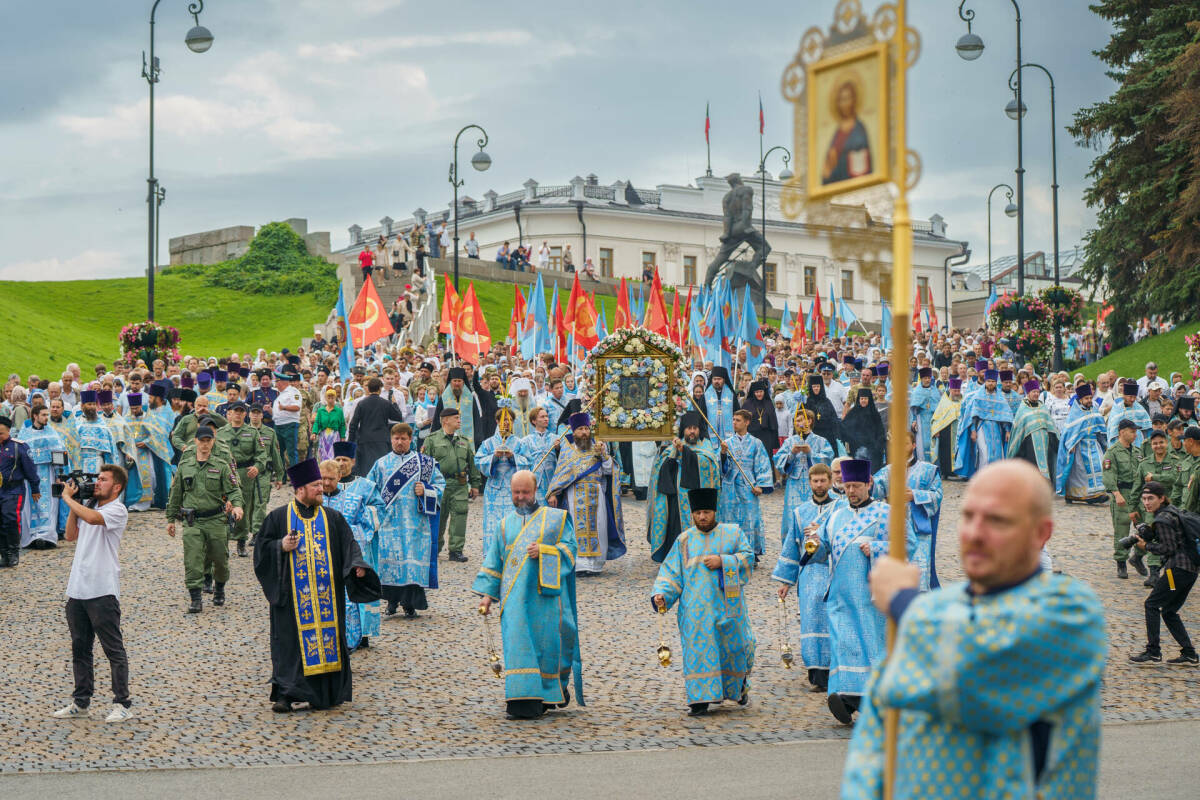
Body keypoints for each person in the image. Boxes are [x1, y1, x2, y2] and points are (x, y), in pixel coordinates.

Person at [843, 460, 1106, 799]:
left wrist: (901, 601)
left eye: (997, 520)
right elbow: (872, 746)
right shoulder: (934, 611)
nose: (975, 533)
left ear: (1042, 533)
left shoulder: (1071, 613)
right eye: (968, 516)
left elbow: (978, 668)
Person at [252, 458, 381, 712]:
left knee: (329, 644)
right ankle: (287, 694)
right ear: (300, 489)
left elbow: (349, 544)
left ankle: (324, 693)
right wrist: (280, 546)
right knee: (291, 647)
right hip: (291, 601)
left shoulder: (332, 518)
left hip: (327, 599)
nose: (321, 489)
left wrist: (357, 564)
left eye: (322, 484)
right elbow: (261, 551)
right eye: (315, 486)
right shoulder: (279, 518)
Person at [805, 459, 914, 724]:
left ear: (869, 484)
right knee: (844, 647)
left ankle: (870, 700)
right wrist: (814, 544)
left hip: (871, 597)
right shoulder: (836, 515)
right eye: (847, 485)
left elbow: (908, 545)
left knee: (871, 647)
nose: (851, 491)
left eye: (856, 486)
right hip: (840, 597)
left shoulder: (886, 513)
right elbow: (823, 552)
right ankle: (845, 697)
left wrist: (877, 547)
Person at [473, 470, 582, 719]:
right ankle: (521, 702)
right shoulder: (504, 526)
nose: (521, 497)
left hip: (545, 599)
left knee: (548, 647)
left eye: (525, 492)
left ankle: (549, 694)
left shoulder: (555, 519)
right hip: (513, 602)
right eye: (516, 492)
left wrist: (545, 550)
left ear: (536, 492)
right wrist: (487, 596)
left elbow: (571, 549)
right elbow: (494, 562)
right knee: (518, 649)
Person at [651, 487, 755, 717]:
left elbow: (749, 559)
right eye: (698, 513)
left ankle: (738, 689)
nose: (702, 517)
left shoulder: (733, 533)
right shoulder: (684, 540)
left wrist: (723, 561)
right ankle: (700, 700)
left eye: (707, 512)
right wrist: (662, 594)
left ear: (714, 512)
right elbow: (671, 573)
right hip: (695, 611)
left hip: (730, 606)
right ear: (692, 514)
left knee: (737, 648)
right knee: (699, 653)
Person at [52, 465, 133, 722]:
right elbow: (69, 535)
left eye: (103, 480)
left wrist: (67, 498)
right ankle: (81, 701)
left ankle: (122, 704)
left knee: (113, 650)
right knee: (80, 648)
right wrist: (73, 503)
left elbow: (94, 520)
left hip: (102, 590)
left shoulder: (117, 510)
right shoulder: (89, 507)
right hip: (78, 589)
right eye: (97, 479)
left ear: (116, 486)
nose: (97, 483)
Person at [772, 463, 847, 692]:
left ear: (829, 481)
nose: (819, 485)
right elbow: (791, 548)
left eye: (823, 480)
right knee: (812, 621)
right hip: (809, 577)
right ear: (810, 483)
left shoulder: (840, 508)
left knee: (834, 621)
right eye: (815, 481)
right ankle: (816, 674)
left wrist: (822, 529)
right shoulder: (800, 512)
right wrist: (786, 581)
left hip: (833, 572)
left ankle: (836, 669)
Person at [367, 424, 445, 617]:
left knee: (411, 563)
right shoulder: (381, 464)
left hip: (415, 524)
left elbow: (440, 484)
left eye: (404, 438)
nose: (400, 442)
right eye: (396, 438)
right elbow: (369, 489)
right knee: (390, 563)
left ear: (411, 439)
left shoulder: (425, 463)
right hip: (389, 524)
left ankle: (409, 604)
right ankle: (391, 603)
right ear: (391, 439)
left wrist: (426, 490)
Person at [165, 426, 244, 612]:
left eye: (209, 440)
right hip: (193, 521)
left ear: (213, 442)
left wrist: (237, 505)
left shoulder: (221, 466)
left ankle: (220, 588)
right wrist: (170, 519)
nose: (205, 444)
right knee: (192, 559)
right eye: (202, 440)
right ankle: (195, 598)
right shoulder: (185, 466)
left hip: (216, 519)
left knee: (220, 558)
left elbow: (233, 489)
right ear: (196, 441)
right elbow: (176, 494)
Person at [1128, 480, 1200, 666]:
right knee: (1169, 611)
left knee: (1151, 604)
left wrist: (1146, 546)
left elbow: (1168, 548)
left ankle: (1153, 651)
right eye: (1144, 499)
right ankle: (1190, 653)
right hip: (1190, 570)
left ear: (1161, 498)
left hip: (1176, 570)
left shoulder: (1162, 519)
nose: (1146, 503)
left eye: (1151, 498)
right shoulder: (1173, 511)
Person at [545, 412, 626, 575]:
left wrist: (603, 455)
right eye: (580, 429)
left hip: (596, 495)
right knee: (576, 528)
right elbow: (561, 474)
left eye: (586, 429)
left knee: (598, 527)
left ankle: (595, 565)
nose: (584, 432)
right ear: (574, 432)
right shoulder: (568, 450)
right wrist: (553, 493)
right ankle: (580, 565)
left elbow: (610, 470)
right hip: (574, 495)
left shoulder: (598, 446)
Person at [319, 455, 381, 651]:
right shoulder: (313, 501)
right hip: (319, 561)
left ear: (339, 477)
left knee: (346, 602)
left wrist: (350, 539)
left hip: (345, 560)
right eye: (323, 479)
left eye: (331, 478)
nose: (327, 483)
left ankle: (348, 641)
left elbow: (367, 526)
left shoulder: (354, 500)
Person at [872, 430, 943, 590]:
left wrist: (915, 495)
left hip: (919, 529)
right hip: (894, 528)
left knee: (920, 572)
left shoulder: (928, 470)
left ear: (913, 445)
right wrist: (870, 483)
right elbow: (876, 490)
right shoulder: (888, 470)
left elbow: (937, 494)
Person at [647, 411, 721, 562]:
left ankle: (698, 557)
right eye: (688, 428)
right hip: (677, 499)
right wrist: (675, 452)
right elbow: (661, 468)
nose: (692, 431)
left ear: (699, 429)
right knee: (674, 528)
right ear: (683, 430)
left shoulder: (705, 446)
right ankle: (674, 559)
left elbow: (708, 465)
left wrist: (684, 452)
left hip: (698, 499)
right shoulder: (674, 444)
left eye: (695, 428)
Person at [423, 408, 480, 562]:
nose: (459, 420)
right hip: (439, 485)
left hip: (460, 484)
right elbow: (425, 464)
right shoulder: (432, 440)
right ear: (445, 420)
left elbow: (472, 464)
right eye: (456, 418)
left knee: (460, 517)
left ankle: (456, 550)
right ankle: (434, 548)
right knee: (438, 518)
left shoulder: (464, 441)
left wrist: (475, 484)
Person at [717, 409, 774, 558]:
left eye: (738, 420)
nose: (734, 423)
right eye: (733, 420)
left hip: (749, 485)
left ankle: (750, 552)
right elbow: (721, 468)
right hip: (730, 486)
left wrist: (760, 485)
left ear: (747, 422)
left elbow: (762, 464)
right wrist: (723, 454)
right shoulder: (727, 443)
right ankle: (730, 551)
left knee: (750, 518)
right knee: (730, 517)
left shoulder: (756, 443)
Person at [215, 401, 269, 558]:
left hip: (245, 474)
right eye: (235, 411)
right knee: (223, 506)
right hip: (225, 474)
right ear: (229, 413)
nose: (238, 414)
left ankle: (241, 541)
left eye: (241, 411)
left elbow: (262, 454)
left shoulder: (252, 433)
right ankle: (222, 541)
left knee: (243, 506)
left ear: (245, 414)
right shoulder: (221, 432)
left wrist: (257, 467)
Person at [1130, 430, 1181, 588]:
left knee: (1169, 540)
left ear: (1166, 443)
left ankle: (1138, 555)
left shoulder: (1175, 461)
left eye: (1161, 442)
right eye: (1155, 443)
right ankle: (1154, 574)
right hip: (1151, 510)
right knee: (1153, 537)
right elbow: (1137, 486)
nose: (1158, 446)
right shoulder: (1144, 464)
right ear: (1151, 445)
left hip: (1171, 507)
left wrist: (1155, 478)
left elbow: (1174, 479)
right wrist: (1132, 507)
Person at [473, 404, 521, 557]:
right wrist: (494, 457)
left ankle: (513, 552)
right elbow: (478, 460)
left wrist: (514, 457)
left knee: (513, 521)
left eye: (509, 420)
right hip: (494, 488)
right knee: (494, 523)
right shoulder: (488, 443)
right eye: (503, 420)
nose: (506, 423)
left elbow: (529, 461)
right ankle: (492, 554)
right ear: (497, 421)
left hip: (514, 489)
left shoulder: (520, 443)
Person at [15, 405, 65, 550]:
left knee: (49, 504)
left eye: (46, 415)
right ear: (35, 416)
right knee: (30, 506)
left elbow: (59, 454)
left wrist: (58, 475)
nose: (46, 418)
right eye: (43, 415)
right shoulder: (24, 434)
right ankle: (32, 537)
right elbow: (19, 455)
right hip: (29, 476)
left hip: (47, 472)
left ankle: (47, 536)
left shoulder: (52, 433)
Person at [1103, 419, 1145, 580]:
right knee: (1122, 528)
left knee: (1145, 528)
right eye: (1132, 431)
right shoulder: (1112, 452)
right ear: (1122, 432)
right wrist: (1116, 493)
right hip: (1122, 493)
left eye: (1136, 432)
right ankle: (1121, 561)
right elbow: (1108, 474)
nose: (1135, 434)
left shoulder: (1137, 451)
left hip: (1138, 495)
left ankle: (1138, 556)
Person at [954, 369, 1014, 479]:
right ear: (985, 382)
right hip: (982, 428)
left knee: (997, 454)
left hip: (996, 428)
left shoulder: (1000, 398)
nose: (991, 383)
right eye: (989, 381)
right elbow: (973, 416)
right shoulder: (978, 397)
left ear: (996, 383)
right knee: (984, 454)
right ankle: (983, 479)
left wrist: (1008, 431)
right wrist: (973, 430)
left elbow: (1005, 416)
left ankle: (996, 479)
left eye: (993, 381)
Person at [1055, 384, 1108, 505]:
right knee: (1081, 471)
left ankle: (1097, 493)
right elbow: (1069, 433)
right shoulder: (1074, 414)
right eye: (1086, 398)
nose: (1089, 400)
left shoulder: (1094, 410)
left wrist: (1105, 444)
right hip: (1080, 447)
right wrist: (1071, 444)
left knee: (1099, 465)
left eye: (1090, 398)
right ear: (1080, 400)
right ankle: (1078, 495)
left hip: (1094, 445)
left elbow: (1100, 430)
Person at [0, 414, 41, 567]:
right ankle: (3, 553)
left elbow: (30, 469)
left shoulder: (19, 446)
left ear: (9, 431)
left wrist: (35, 488)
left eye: (1, 433)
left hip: (13, 489)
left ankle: (13, 552)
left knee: (10, 519)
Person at [347, 377, 405, 478]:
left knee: (366, 471)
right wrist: (394, 403)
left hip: (365, 441)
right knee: (381, 471)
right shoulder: (385, 403)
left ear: (368, 389)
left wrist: (351, 443)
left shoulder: (362, 403)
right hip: (381, 440)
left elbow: (353, 424)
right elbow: (398, 417)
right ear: (379, 389)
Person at [822, 79, 872, 185]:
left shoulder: (859, 128)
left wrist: (839, 160)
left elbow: (863, 158)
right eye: (840, 100)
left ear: (854, 100)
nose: (843, 104)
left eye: (847, 99)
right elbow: (828, 166)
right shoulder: (837, 131)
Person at [515, 406, 558, 505]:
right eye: (542, 417)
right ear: (534, 421)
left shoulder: (555, 439)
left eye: (547, 416)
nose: (546, 419)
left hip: (551, 482)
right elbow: (522, 463)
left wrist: (558, 448)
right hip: (534, 482)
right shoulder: (525, 441)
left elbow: (562, 460)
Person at [840, 387, 886, 473]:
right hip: (857, 448)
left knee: (872, 474)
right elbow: (844, 428)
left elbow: (880, 430)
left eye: (865, 398)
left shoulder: (874, 413)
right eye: (861, 398)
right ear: (858, 399)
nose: (863, 400)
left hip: (873, 450)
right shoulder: (853, 412)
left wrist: (878, 445)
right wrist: (854, 439)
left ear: (869, 399)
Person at [930, 378, 962, 479]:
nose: (956, 393)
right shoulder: (944, 401)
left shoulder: (963, 401)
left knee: (958, 450)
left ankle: (955, 470)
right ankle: (945, 472)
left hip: (958, 430)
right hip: (946, 430)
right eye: (954, 390)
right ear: (950, 390)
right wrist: (936, 430)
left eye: (958, 390)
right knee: (944, 451)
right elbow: (936, 417)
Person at [271, 370, 303, 468]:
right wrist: (269, 410)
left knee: (291, 452)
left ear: (282, 382)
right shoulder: (281, 394)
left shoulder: (293, 392)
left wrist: (284, 407)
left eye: (277, 381)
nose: (275, 384)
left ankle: (296, 479)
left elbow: (297, 407)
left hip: (289, 425)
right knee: (279, 452)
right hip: (278, 425)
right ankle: (282, 478)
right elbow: (278, 413)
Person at [909, 367, 941, 462]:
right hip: (921, 420)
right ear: (921, 379)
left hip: (933, 420)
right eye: (925, 378)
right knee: (922, 445)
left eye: (929, 378)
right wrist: (914, 420)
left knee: (933, 445)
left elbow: (939, 409)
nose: (927, 380)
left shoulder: (935, 391)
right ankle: (923, 467)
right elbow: (913, 409)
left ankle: (934, 469)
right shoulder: (917, 391)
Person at [703, 367, 738, 443]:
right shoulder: (706, 395)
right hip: (710, 433)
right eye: (714, 379)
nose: (716, 381)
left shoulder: (731, 394)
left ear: (724, 380)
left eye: (719, 379)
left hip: (729, 433)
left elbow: (737, 412)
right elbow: (702, 414)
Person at [311, 388, 346, 462]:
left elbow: (342, 425)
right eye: (328, 397)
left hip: (334, 436)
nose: (330, 399)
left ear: (335, 398)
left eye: (332, 397)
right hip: (323, 435)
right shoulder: (321, 410)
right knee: (323, 455)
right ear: (326, 398)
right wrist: (314, 433)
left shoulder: (339, 411)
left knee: (334, 455)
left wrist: (343, 437)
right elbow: (317, 422)